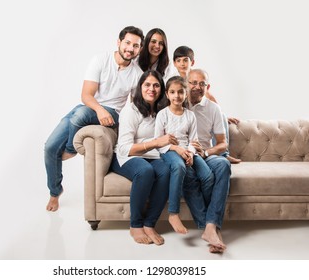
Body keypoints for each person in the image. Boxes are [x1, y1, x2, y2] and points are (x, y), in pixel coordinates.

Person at [44, 26, 144, 211]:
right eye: (128, 43)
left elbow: (133, 106)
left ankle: (71, 148)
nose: (130, 48)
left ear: (139, 49)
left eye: (136, 46)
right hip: (89, 108)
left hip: (114, 113)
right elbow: (86, 95)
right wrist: (99, 110)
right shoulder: (100, 60)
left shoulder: (137, 74)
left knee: (80, 114)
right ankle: (55, 191)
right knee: (50, 147)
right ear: (119, 42)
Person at [110, 70, 178, 245]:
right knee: (145, 171)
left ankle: (149, 224)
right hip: (126, 156)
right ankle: (136, 225)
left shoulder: (163, 110)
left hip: (153, 155)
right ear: (140, 87)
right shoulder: (130, 110)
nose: (151, 89)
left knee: (166, 171)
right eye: (147, 85)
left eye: (156, 85)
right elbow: (125, 147)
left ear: (161, 89)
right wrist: (155, 142)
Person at [154, 76, 214, 234]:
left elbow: (193, 140)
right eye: (172, 92)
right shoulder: (163, 115)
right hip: (169, 151)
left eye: (180, 92)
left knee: (207, 175)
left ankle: (210, 214)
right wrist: (177, 149)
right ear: (167, 94)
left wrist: (190, 153)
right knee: (179, 167)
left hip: (187, 151)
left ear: (185, 93)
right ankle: (173, 213)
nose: (177, 96)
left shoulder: (189, 115)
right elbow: (159, 142)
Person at [183, 69, 231, 254]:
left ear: (207, 87)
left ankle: (209, 227)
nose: (196, 87)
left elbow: (222, 144)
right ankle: (212, 229)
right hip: (184, 154)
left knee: (223, 165)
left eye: (201, 84)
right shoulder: (177, 102)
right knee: (187, 173)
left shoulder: (213, 108)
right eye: (193, 82)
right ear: (186, 83)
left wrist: (206, 152)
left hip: (205, 154)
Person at [173, 46, 241, 164]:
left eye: (185, 60)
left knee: (221, 116)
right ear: (174, 63)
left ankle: (223, 154)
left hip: (201, 115)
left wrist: (220, 113)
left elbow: (208, 96)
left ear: (192, 62)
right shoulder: (174, 80)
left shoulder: (196, 76)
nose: (182, 64)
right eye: (179, 61)